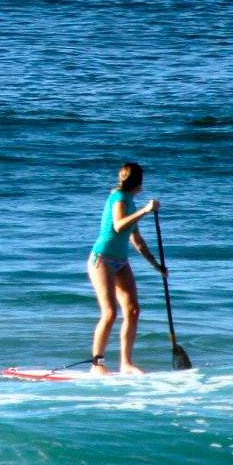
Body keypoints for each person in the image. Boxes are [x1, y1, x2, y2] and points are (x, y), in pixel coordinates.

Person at [87, 161, 166, 375]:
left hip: (121, 261)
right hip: (102, 259)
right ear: (138, 181)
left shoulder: (130, 201)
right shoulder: (119, 197)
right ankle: (97, 364)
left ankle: (126, 364)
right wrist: (146, 210)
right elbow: (119, 225)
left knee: (133, 310)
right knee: (110, 313)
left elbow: (136, 239)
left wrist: (156, 265)